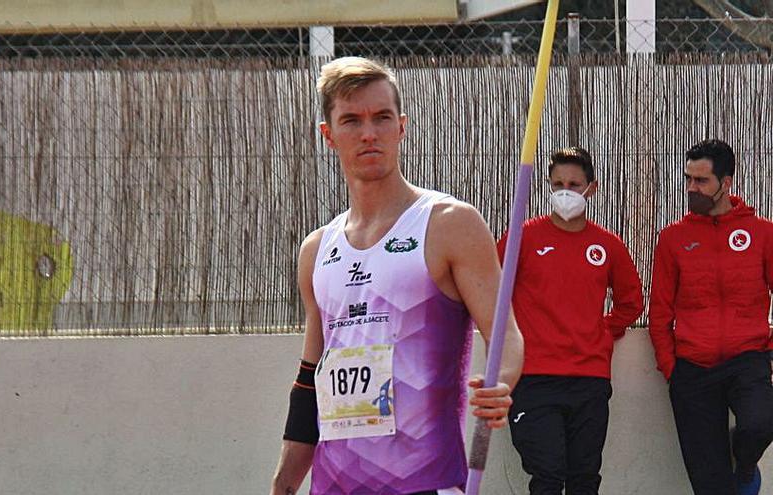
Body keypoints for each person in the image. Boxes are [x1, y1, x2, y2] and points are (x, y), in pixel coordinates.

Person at [269, 56, 524, 495]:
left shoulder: (448, 223)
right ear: (328, 135)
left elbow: (506, 335)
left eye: (381, 117)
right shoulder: (316, 250)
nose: (369, 133)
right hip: (334, 485)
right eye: (351, 120)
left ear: (401, 127)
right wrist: (284, 483)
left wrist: (501, 382)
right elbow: (311, 377)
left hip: (425, 480)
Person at [499, 147, 644, 494]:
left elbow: (632, 301)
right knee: (547, 475)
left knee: (584, 479)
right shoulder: (523, 237)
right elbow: (489, 290)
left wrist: (604, 331)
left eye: (574, 184)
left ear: (591, 188)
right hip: (533, 380)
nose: (565, 191)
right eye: (558, 183)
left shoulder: (607, 244)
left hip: (589, 381)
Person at [649, 139, 773, 495]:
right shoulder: (673, 238)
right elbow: (660, 311)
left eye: (701, 181)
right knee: (710, 483)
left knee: (759, 426)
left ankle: (745, 462)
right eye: (688, 179)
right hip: (692, 369)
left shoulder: (762, 233)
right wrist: (671, 368)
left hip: (748, 360)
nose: (692, 188)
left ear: (727, 182)